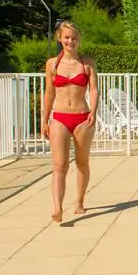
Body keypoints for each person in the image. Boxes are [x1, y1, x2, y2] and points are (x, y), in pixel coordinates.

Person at [41, 20, 99, 223]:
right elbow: (49, 93)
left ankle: (80, 201)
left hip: (83, 118)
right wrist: (44, 119)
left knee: (82, 163)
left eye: (74, 38)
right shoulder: (52, 64)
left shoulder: (87, 63)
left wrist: (93, 111)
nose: (70, 41)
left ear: (79, 40)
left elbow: (93, 89)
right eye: (66, 37)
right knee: (60, 165)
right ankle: (57, 207)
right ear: (59, 38)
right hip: (60, 118)